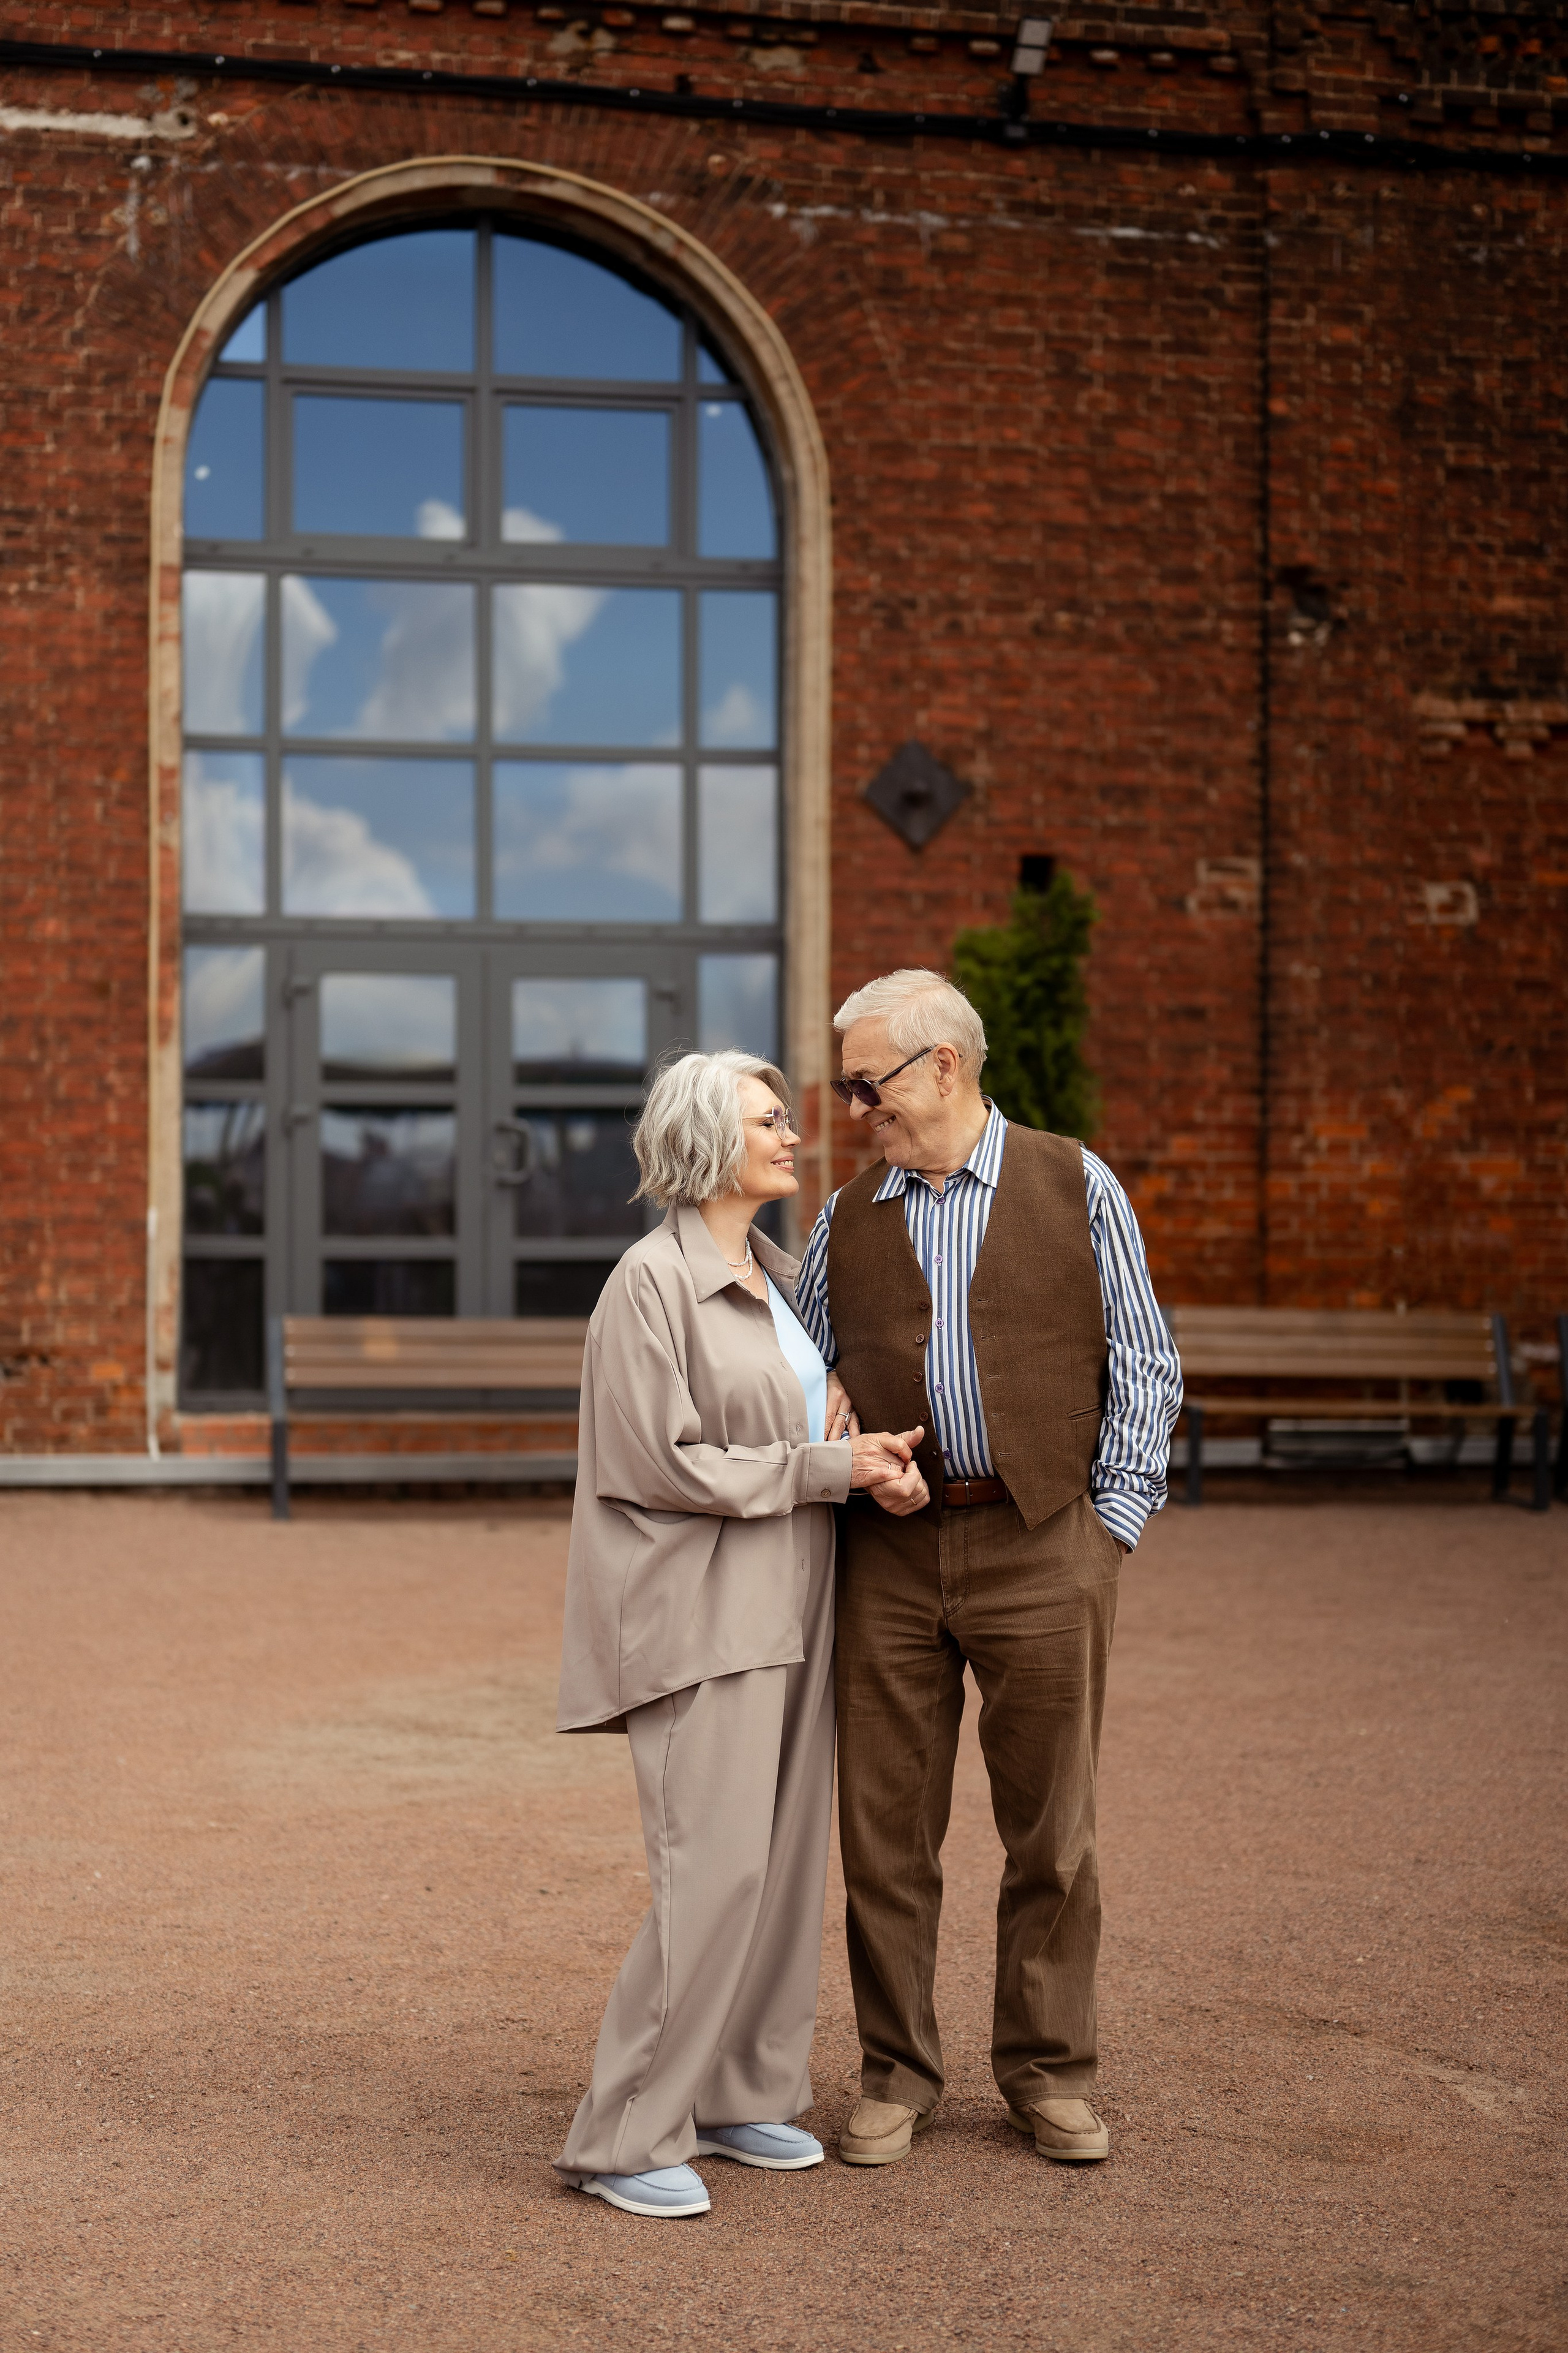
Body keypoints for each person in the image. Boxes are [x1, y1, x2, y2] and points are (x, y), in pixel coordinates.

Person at [794, 970, 1182, 2167]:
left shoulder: (1074, 1183)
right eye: (849, 1087)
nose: (858, 1107)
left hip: (1041, 1542)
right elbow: (800, 1372)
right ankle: (896, 2070)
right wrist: (836, 1440)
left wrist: (1102, 1531)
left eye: (870, 1083)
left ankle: (1047, 2068)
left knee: (1050, 1829)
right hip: (890, 1559)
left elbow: (1144, 1362)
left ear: (943, 1067)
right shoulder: (847, 1212)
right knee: (883, 1834)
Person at [554, 1048, 927, 2219]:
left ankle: (737, 2091)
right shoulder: (647, 1287)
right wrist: (826, 1461)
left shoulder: (776, 1276)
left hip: (795, 1604)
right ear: (709, 1140)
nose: (794, 1135)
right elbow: (656, 1460)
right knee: (708, 1873)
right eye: (769, 1121)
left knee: (773, 1869)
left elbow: (805, 1431)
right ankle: (622, 2135)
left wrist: (869, 1462)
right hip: (699, 1613)